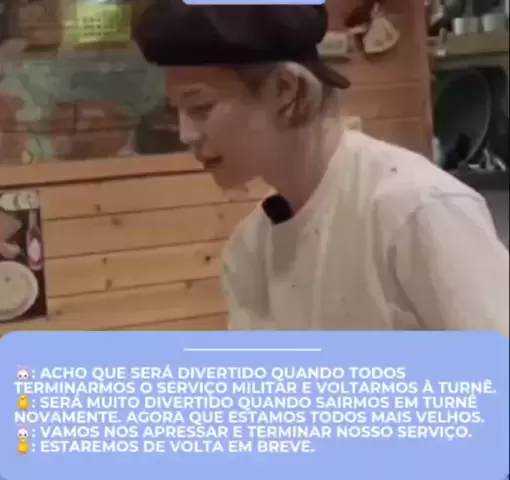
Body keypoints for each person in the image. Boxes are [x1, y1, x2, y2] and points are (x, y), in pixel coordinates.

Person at [134, 3, 509, 334]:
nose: (186, 134)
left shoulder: (415, 210)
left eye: (200, 107)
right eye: (176, 111)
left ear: (286, 90)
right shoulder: (249, 253)